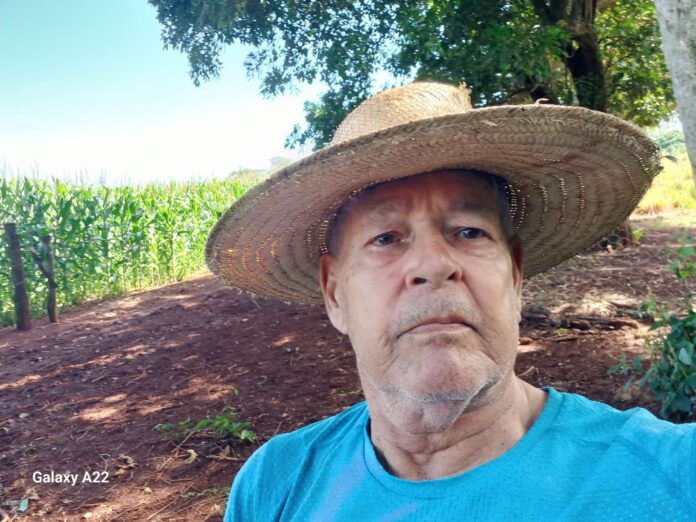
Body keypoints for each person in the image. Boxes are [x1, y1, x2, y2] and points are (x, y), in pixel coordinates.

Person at [205, 82, 696, 521]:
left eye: (469, 231)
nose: (434, 264)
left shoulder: (672, 475)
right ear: (335, 293)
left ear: (515, 275)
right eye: (386, 238)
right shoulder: (275, 486)